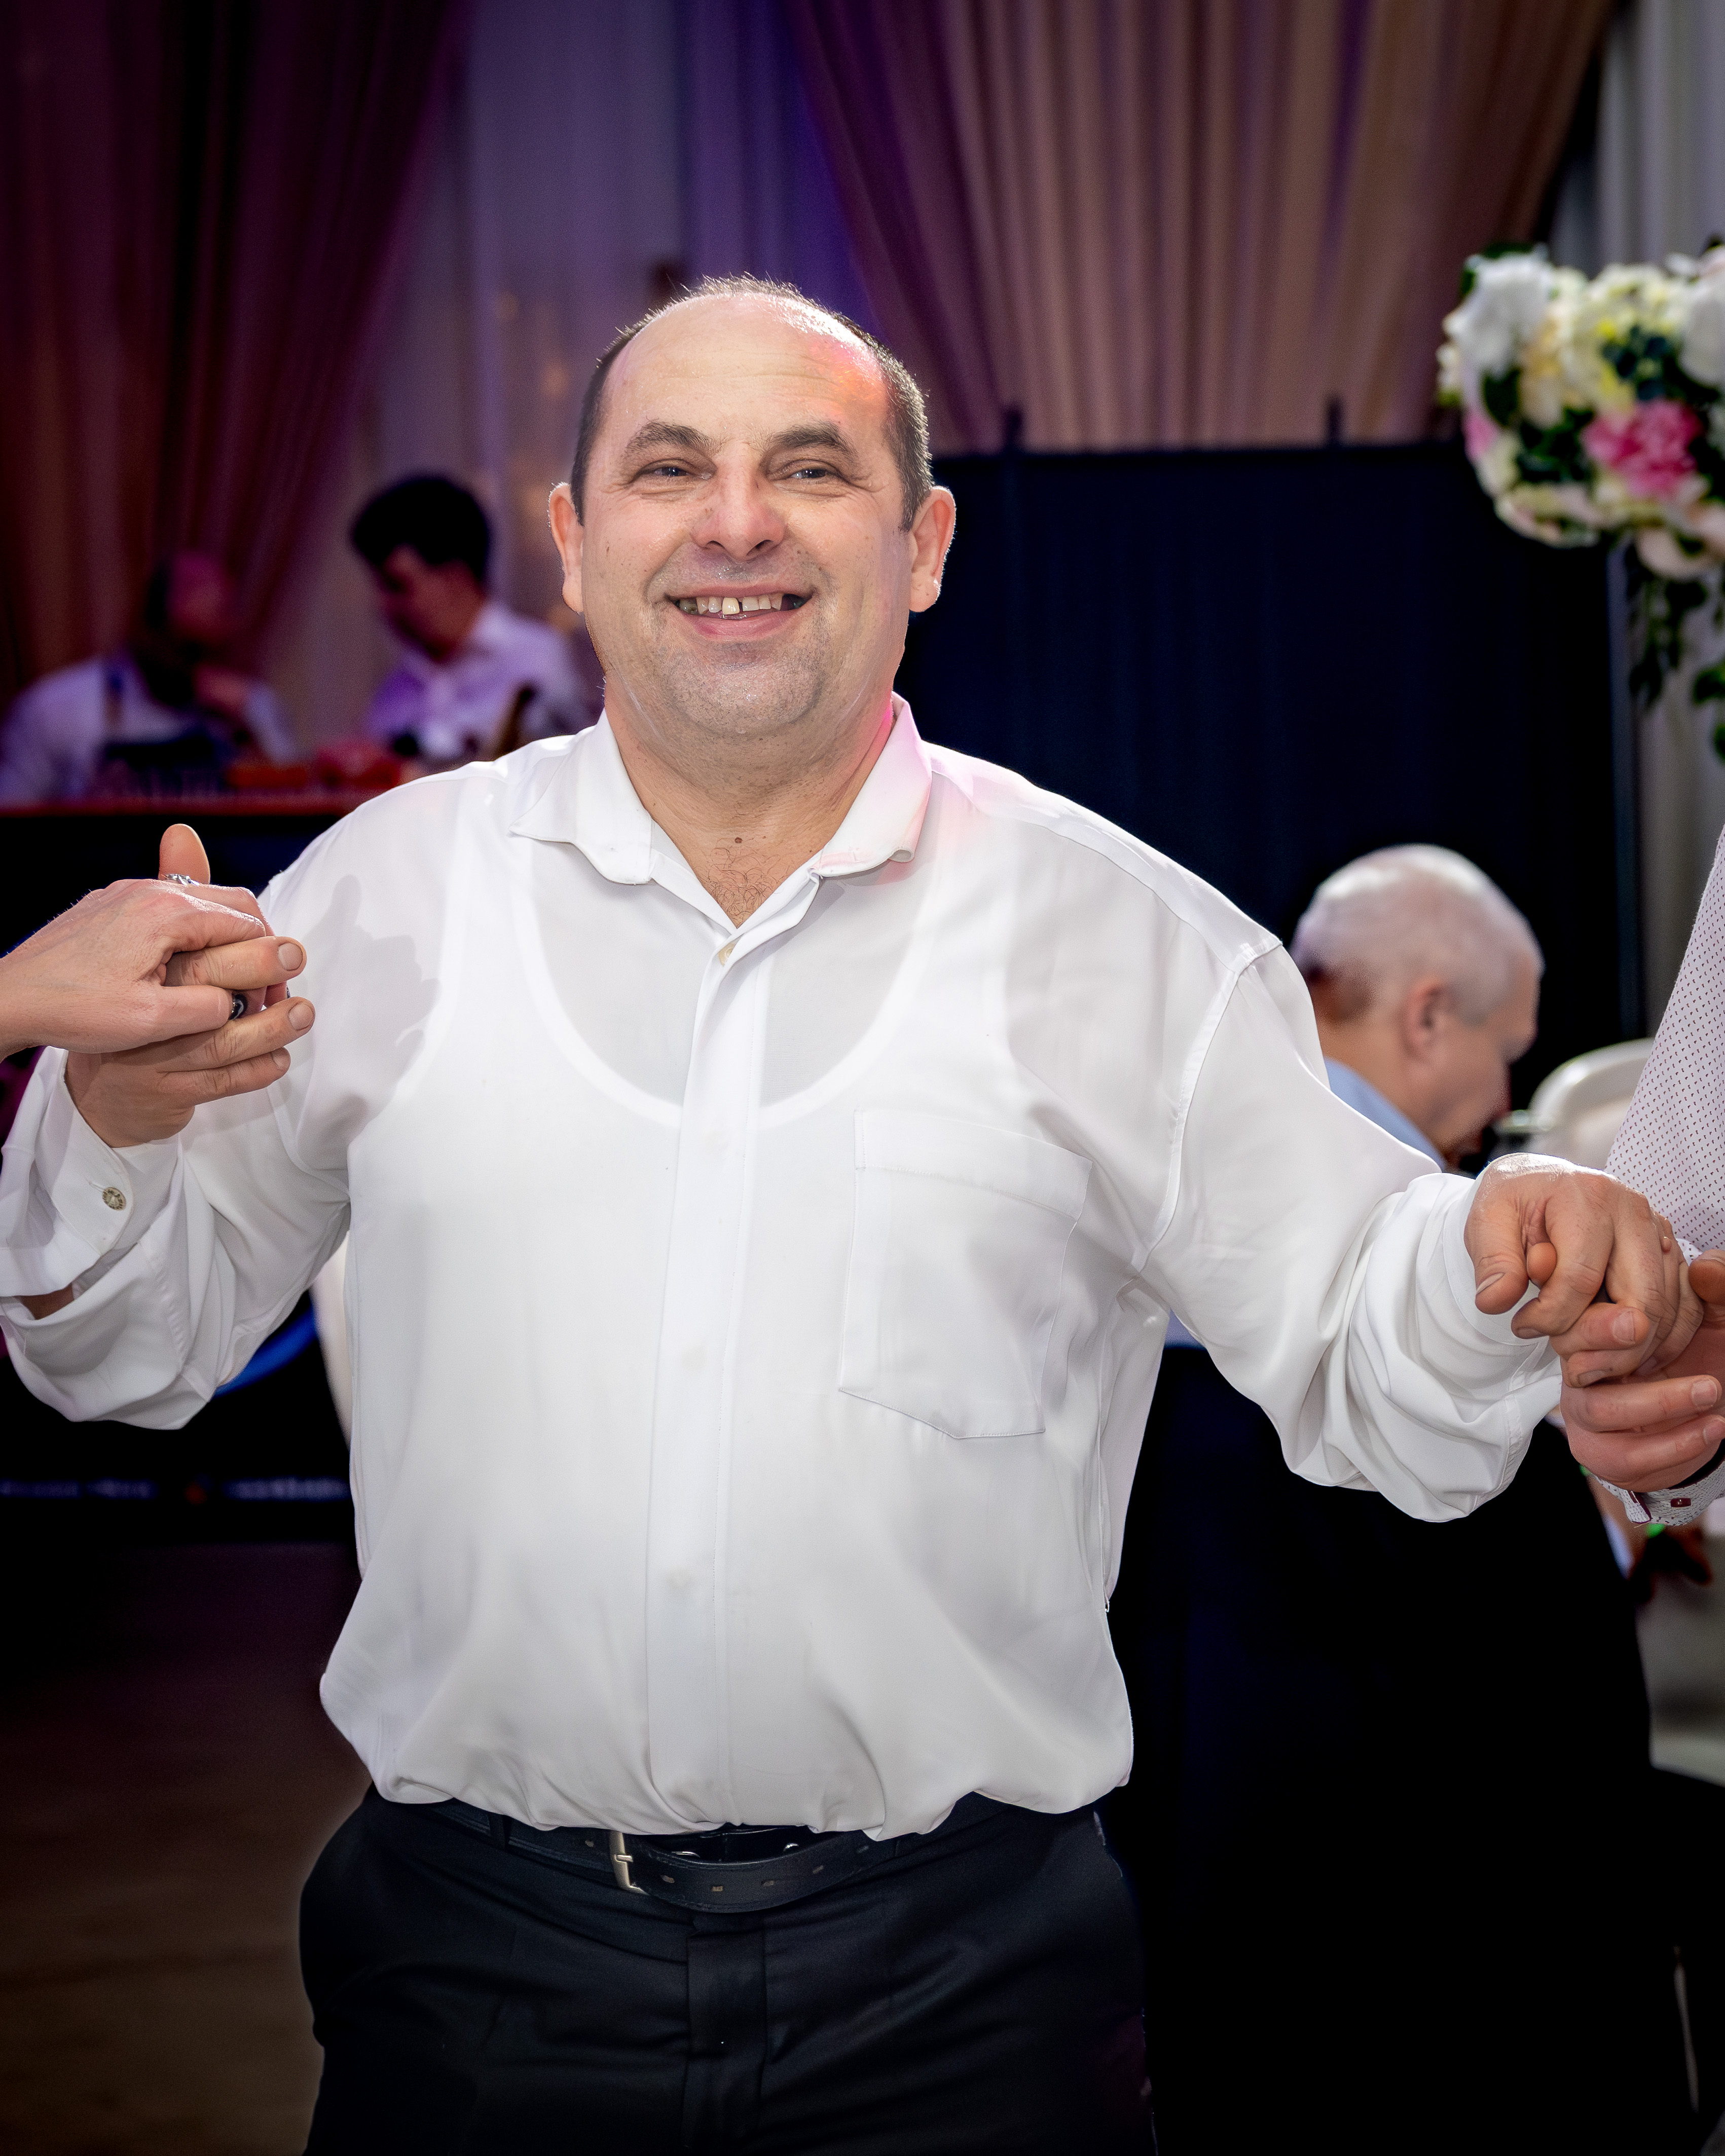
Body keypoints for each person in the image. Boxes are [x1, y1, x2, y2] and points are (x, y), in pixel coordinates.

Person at [0, 278, 1709, 2154]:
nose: (735, 521)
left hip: (968, 1990)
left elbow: (1357, 1311)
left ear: (924, 541)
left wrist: (1504, 1256)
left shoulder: (1115, 934)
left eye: (809, 468)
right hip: (474, 1972)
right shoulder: (379, 903)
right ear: (573, 541)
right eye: (670, 469)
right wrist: (115, 1109)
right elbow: (123, 1355)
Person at [1111, 847, 1696, 2154]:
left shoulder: (1147, 1172)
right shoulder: (1449, 1268)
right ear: (1427, 1016)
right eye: (1506, 1051)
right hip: (1421, 1913)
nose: (1507, 1102)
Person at [0, 553, 296, 803]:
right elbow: (14, 814)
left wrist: (247, 729)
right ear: (148, 626)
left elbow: (292, 809)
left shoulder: (252, 705)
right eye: (181, 648)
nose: (195, 671)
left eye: (205, 654)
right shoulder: (55, 707)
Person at [350, 474, 582, 766]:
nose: (383, 604)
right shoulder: (398, 686)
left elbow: (503, 747)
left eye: (397, 585)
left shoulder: (536, 656)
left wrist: (395, 752)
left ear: (455, 577)